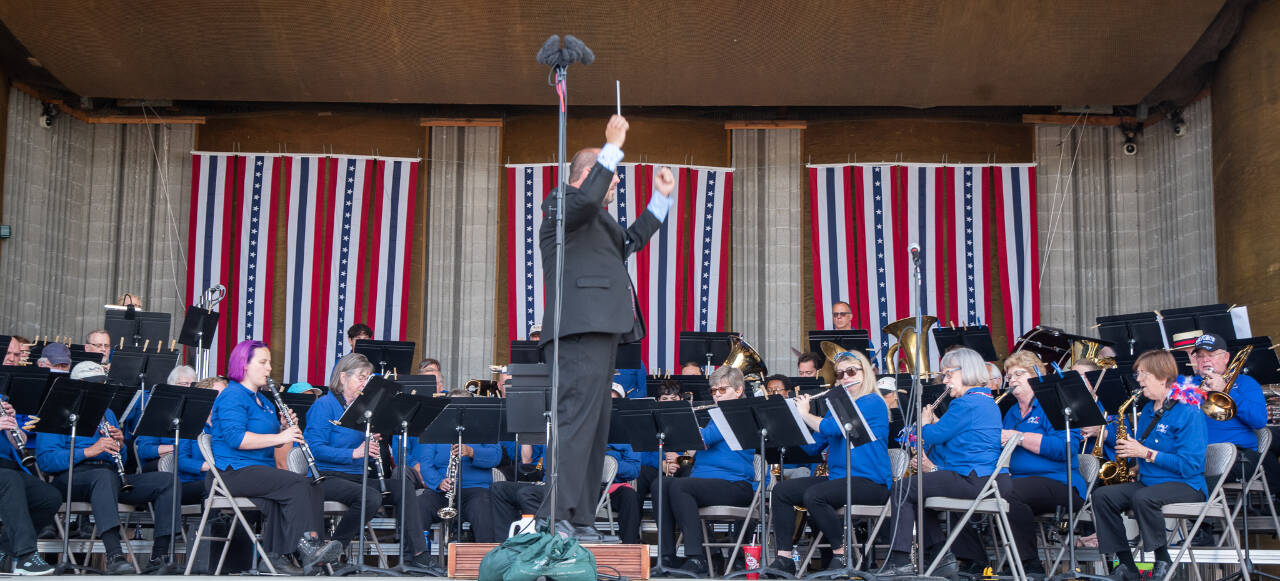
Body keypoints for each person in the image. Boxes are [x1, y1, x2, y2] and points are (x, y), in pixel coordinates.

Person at [536, 114, 674, 537]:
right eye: (609, 176)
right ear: (586, 174)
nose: (615, 182)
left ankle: (578, 517)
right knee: (575, 422)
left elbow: (629, 241)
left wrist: (660, 200)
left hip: (602, 329)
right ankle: (554, 514)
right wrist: (610, 148)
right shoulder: (560, 205)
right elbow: (582, 201)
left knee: (595, 429)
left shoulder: (600, 222)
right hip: (577, 329)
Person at [207, 340, 341, 575]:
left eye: (269, 362)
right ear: (244, 365)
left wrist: (282, 428)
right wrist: (282, 436)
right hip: (232, 471)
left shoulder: (263, 400)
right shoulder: (232, 396)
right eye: (263, 362)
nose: (269, 368)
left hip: (258, 470)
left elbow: (272, 442)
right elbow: (236, 439)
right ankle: (309, 547)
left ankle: (277, 557)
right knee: (296, 483)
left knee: (313, 484)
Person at [35, 361, 180, 574]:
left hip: (109, 476)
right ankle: (114, 555)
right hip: (71, 477)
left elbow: (118, 457)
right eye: (95, 384)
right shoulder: (55, 412)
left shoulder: (108, 413)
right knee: (103, 476)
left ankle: (159, 557)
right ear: (77, 385)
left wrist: (120, 446)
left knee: (167, 481)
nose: (101, 388)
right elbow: (46, 461)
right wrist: (88, 451)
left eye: (103, 383)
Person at [880, 347, 1003, 578]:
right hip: (982, 478)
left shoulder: (966, 403)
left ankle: (901, 559)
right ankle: (940, 554)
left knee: (903, 488)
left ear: (965, 372)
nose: (945, 381)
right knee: (918, 492)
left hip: (973, 477)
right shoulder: (984, 400)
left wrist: (925, 423)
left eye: (949, 374)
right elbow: (955, 440)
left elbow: (933, 436)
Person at [767, 350, 891, 575]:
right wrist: (789, 423)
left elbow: (837, 429)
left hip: (871, 482)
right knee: (782, 491)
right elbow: (814, 447)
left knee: (816, 495)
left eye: (851, 372)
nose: (845, 378)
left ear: (865, 373)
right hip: (839, 479)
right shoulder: (837, 409)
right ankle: (784, 558)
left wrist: (806, 415)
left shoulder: (872, 401)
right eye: (840, 374)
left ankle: (842, 554)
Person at [304, 353, 433, 567]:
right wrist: (354, 453)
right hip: (327, 477)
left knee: (402, 486)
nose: (365, 384)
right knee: (370, 497)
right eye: (361, 378)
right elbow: (314, 449)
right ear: (343, 378)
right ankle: (333, 548)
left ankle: (417, 554)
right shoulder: (324, 405)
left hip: (355, 476)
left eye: (367, 379)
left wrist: (371, 439)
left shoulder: (362, 411)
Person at [1092, 349, 1206, 581]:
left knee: (1143, 498)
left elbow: (1191, 465)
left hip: (1186, 484)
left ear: (1163, 377)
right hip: (1149, 482)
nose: (1139, 381)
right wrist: (1136, 466)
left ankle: (1162, 560)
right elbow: (1146, 453)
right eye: (1138, 375)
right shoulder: (1146, 410)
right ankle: (1126, 565)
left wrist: (1146, 453)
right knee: (1103, 496)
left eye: (1143, 375)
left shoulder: (1187, 411)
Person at [983, 351, 1085, 576]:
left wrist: (1018, 437)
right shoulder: (1011, 412)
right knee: (981, 488)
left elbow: (1065, 449)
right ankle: (984, 562)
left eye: (1019, 373)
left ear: (1036, 376)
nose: (1012, 380)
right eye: (1009, 376)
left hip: (1060, 482)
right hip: (1021, 483)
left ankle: (1029, 563)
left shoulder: (1053, 405)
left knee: (1009, 492)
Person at [657, 366, 756, 576]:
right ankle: (667, 557)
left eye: (722, 390)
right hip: (706, 484)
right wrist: (680, 459)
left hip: (735, 485)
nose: (717, 395)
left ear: (738, 391)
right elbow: (697, 451)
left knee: (680, 487)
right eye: (713, 391)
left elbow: (700, 440)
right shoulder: (716, 416)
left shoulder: (738, 413)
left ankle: (698, 557)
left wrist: (679, 420)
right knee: (660, 484)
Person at [1184, 332, 1266, 483]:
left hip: (1237, 456)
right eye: (1200, 356)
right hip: (1195, 456)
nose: (1205, 360)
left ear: (1226, 358)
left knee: (1193, 482)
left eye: (1212, 354)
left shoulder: (1245, 383)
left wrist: (1227, 391)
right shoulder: (1188, 386)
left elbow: (1259, 420)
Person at [413, 418, 501, 544]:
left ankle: (486, 557)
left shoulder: (485, 428)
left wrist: (472, 452)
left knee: (483, 508)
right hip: (443, 491)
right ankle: (419, 555)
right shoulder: (434, 431)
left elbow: (496, 457)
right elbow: (426, 465)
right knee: (419, 505)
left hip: (476, 490)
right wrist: (438, 482)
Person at [0, 399, 58, 575]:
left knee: (49, 497)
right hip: (6, 476)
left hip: (8, 467)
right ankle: (26, 557)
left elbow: (20, 443)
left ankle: (4, 547)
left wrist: (13, 426)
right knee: (10, 480)